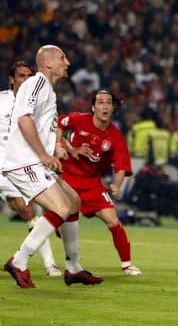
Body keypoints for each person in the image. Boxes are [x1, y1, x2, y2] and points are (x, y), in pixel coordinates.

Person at [2, 45, 102, 288]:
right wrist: (43, 155)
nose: (67, 62)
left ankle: (74, 268)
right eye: (62, 58)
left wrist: (57, 148)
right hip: (24, 161)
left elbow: (43, 125)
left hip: (36, 161)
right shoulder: (37, 83)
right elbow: (24, 119)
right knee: (61, 207)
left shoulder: (47, 89)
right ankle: (19, 261)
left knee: (73, 202)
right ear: (48, 64)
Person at [55, 88, 141, 276]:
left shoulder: (116, 137)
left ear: (113, 108)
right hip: (66, 177)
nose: (105, 106)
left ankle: (126, 264)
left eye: (108, 103)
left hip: (92, 184)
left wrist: (117, 185)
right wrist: (62, 146)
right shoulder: (79, 119)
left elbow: (120, 167)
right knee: (61, 215)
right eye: (100, 102)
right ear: (93, 107)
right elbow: (58, 124)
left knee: (113, 220)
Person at [0, 60, 61, 277]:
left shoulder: (37, 103)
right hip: (3, 161)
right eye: (21, 76)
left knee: (34, 210)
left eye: (29, 76)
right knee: (31, 211)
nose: (26, 80)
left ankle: (46, 263)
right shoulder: (1, 100)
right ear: (12, 79)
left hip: (19, 163)